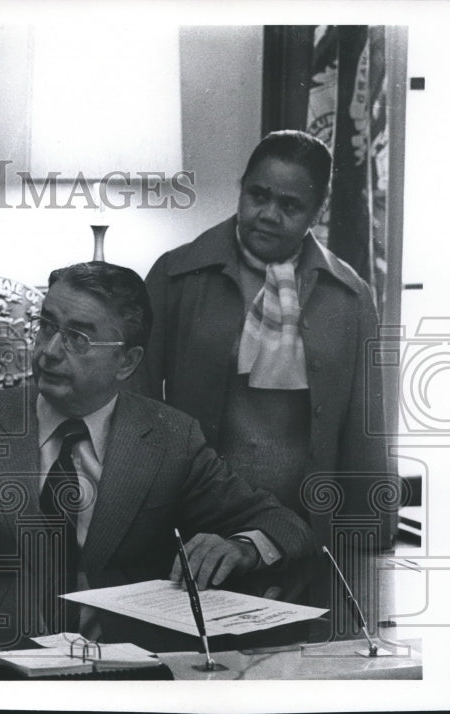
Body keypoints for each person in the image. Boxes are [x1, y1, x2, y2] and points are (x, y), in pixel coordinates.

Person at [0, 262, 315, 649]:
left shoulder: (171, 439)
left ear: (126, 362)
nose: (49, 351)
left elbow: (282, 524)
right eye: (46, 326)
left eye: (78, 338)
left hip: (127, 667)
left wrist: (241, 548)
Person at [133, 130, 392, 542]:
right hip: (193, 522)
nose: (269, 214)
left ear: (318, 211)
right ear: (241, 189)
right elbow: (136, 406)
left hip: (305, 535)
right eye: (258, 195)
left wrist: (371, 537)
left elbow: (365, 430)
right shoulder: (175, 275)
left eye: (290, 205)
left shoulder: (350, 296)